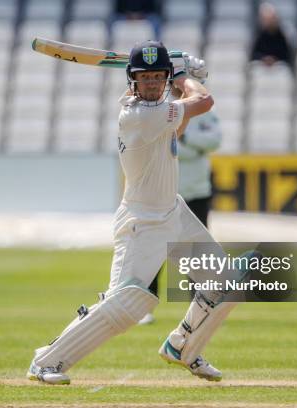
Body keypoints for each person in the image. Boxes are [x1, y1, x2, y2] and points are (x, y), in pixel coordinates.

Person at [27, 40, 241, 385]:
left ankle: (182, 347)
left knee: (225, 283)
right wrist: (184, 74)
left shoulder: (161, 112)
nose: (153, 84)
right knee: (127, 305)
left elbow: (180, 125)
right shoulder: (140, 115)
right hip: (142, 221)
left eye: (159, 77)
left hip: (173, 210)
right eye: (146, 78)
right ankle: (46, 361)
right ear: (133, 81)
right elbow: (204, 101)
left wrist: (180, 78)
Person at [140, 74, 222, 326]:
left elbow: (214, 140)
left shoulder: (201, 111)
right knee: (155, 248)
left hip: (197, 189)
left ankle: (197, 307)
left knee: (196, 252)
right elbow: (165, 144)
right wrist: (189, 143)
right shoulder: (164, 106)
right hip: (167, 190)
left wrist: (184, 138)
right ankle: (144, 306)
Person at [250, 2, 293, 68]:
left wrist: (274, 60)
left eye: (271, 19)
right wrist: (264, 59)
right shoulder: (259, 35)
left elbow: (287, 55)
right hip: (262, 67)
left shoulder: (282, 35)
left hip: (278, 67)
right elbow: (254, 55)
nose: (269, 21)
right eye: (266, 19)